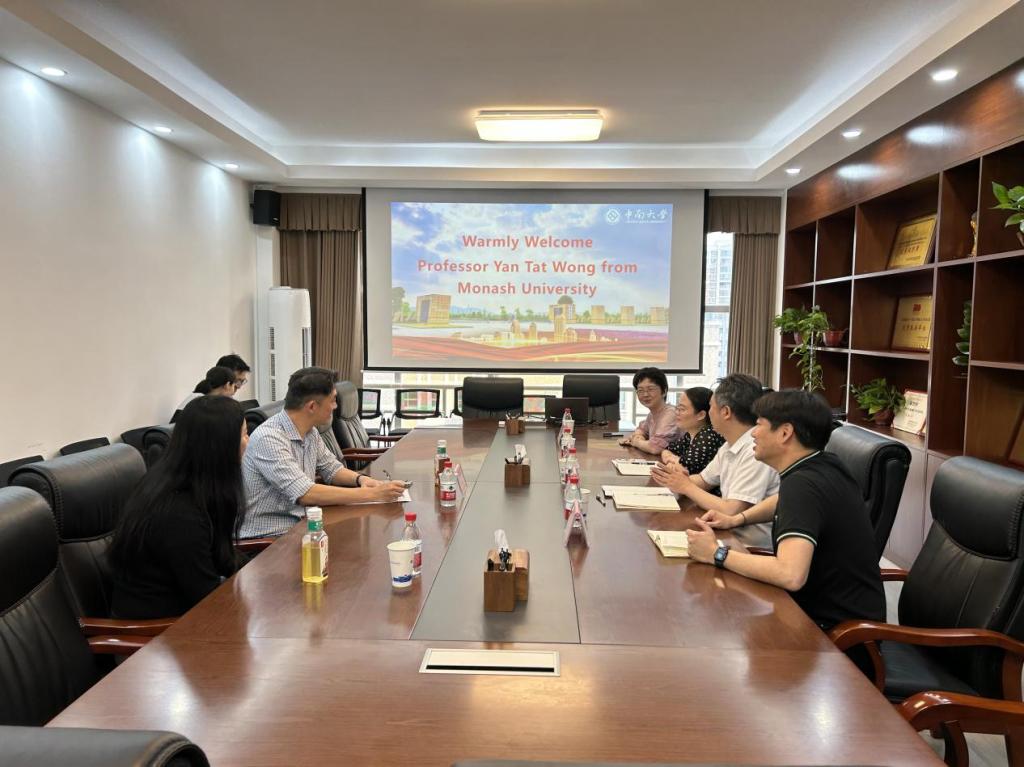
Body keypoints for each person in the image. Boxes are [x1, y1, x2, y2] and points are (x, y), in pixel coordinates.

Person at [685, 389, 885, 631]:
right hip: (825, 614)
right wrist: (737, 519)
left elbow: (790, 574)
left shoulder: (803, 485)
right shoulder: (822, 465)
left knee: (711, 623)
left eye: (759, 425)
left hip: (832, 633)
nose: (753, 433)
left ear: (785, 433)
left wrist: (716, 554)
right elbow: (780, 500)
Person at [110, 396, 249, 619]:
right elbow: (205, 597)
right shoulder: (179, 513)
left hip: (186, 614)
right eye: (243, 434)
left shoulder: (197, 488)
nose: (248, 441)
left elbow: (220, 559)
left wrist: (262, 575)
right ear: (220, 446)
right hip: (156, 631)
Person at [240, 366, 406, 538]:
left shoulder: (310, 432)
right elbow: (305, 493)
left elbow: (331, 468)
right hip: (270, 540)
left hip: (302, 527)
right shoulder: (269, 438)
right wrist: (372, 494)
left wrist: (362, 480)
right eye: (333, 400)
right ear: (312, 406)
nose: (335, 406)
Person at [651, 373, 779, 545]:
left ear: (725, 412)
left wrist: (686, 486)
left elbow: (731, 510)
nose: (709, 412)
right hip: (726, 535)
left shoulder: (755, 450)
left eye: (711, 406)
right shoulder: (729, 445)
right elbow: (704, 480)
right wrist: (678, 479)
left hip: (747, 546)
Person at [661, 386, 726, 476]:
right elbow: (667, 450)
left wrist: (673, 461)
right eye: (677, 408)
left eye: (682, 409)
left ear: (701, 415)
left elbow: (684, 468)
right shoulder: (690, 433)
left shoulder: (707, 436)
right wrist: (672, 459)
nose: (677, 413)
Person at [619, 367, 678, 455]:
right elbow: (642, 429)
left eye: (650, 389)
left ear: (664, 391)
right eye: (640, 390)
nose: (645, 394)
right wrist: (639, 436)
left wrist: (636, 442)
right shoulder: (653, 414)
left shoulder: (670, 414)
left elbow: (655, 448)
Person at [172, 366, 237, 422]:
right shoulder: (202, 402)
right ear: (228, 385)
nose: (233, 392)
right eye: (234, 386)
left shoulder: (199, 397)